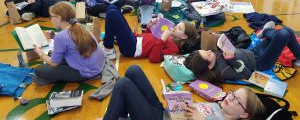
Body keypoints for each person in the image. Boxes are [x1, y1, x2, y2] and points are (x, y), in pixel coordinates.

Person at [102, 65, 266, 120]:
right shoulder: (219, 106)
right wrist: (175, 99)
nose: (230, 97)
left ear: (245, 114)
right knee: (133, 70)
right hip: (165, 113)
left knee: (123, 85)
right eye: (232, 93)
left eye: (236, 100)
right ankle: (122, 116)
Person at [184, 21, 300, 85]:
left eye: (207, 51)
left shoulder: (213, 60)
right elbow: (249, 75)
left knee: (287, 32)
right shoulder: (225, 72)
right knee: (284, 34)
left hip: (253, 52)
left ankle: (266, 32)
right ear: (209, 65)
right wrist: (232, 61)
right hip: (260, 62)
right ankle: (266, 32)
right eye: (208, 54)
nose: (209, 51)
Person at [33, 2, 105, 85]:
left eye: (51, 16)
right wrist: (54, 36)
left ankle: (56, 78)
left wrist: (39, 52)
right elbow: (71, 41)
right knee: (58, 57)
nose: (50, 19)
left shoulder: (62, 36)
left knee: (39, 70)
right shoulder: (79, 26)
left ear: (59, 18)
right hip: (97, 65)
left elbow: (53, 63)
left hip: (86, 73)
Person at [101, 5, 197, 62]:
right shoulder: (169, 35)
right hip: (135, 39)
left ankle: (108, 49)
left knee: (112, 13)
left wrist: (162, 40)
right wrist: (149, 27)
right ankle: (108, 46)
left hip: (132, 48)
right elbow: (149, 40)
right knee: (112, 8)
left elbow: (153, 58)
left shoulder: (174, 48)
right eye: (177, 25)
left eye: (179, 29)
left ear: (184, 36)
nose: (175, 28)